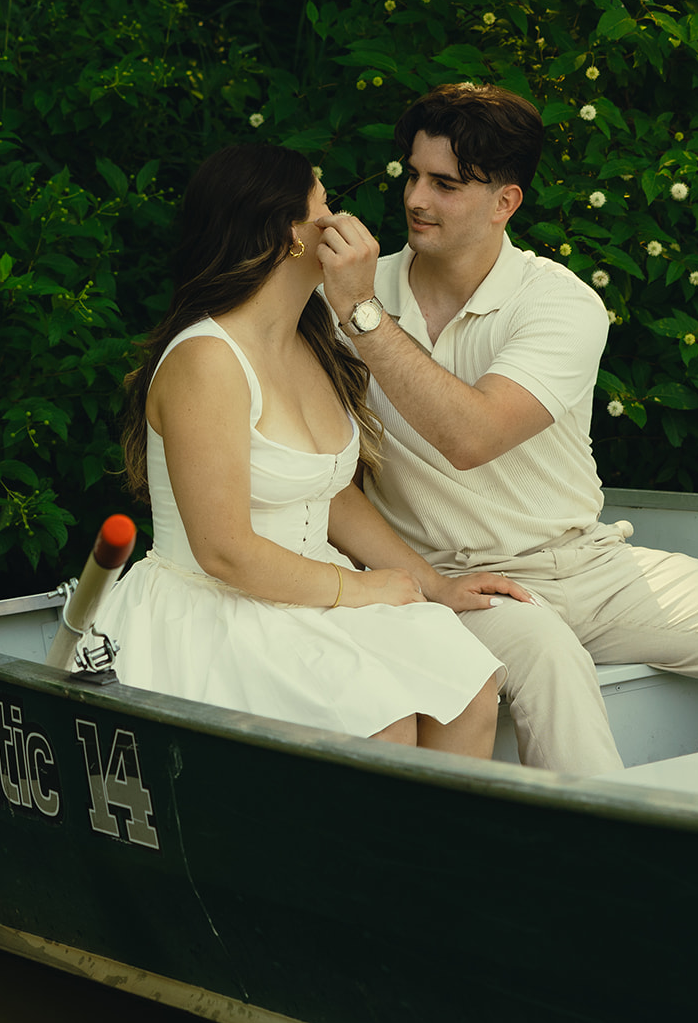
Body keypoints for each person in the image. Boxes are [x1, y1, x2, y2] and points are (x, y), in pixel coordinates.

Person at [313, 83, 698, 775]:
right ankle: (613, 867)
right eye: (414, 175)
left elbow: (470, 436)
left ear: (505, 202)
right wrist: (358, 303)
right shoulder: (340, 296)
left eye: (446, 184)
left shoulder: (558, 304)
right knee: (553, 660)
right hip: (455, 581)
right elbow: (316, 472)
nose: (416, 200)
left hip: (585, 566)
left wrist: (363, 314)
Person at [95, 144, 526, 758]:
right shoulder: (206, 360)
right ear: (289, 235)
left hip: (312, 592)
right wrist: (364, 590)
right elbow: (223, 550)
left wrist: (433, 584)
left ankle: (440, 854)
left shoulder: (312, 338)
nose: (340, 218)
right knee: (381, 724)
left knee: (470, 689)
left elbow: (327, 492)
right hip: (220, 604)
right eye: (324, 205)